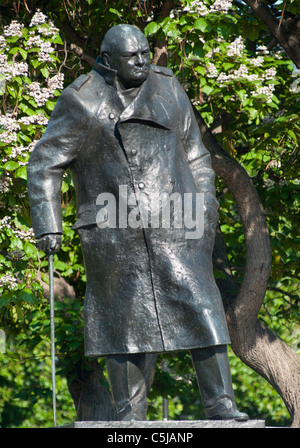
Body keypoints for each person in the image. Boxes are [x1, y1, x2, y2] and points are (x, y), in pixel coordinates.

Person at [27, 24, 248, 421]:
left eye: (146, 52)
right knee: (123, 323)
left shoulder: (167, 87)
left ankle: (221, 405)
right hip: (115, 233)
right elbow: (45, 163)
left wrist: (205, 205)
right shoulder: (80, 102)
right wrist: (48, 223)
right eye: (134, 56)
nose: (145, 61)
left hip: (177, 224)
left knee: (203, 309)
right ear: (109, 61)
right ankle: (129, 415)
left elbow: (195, 153)